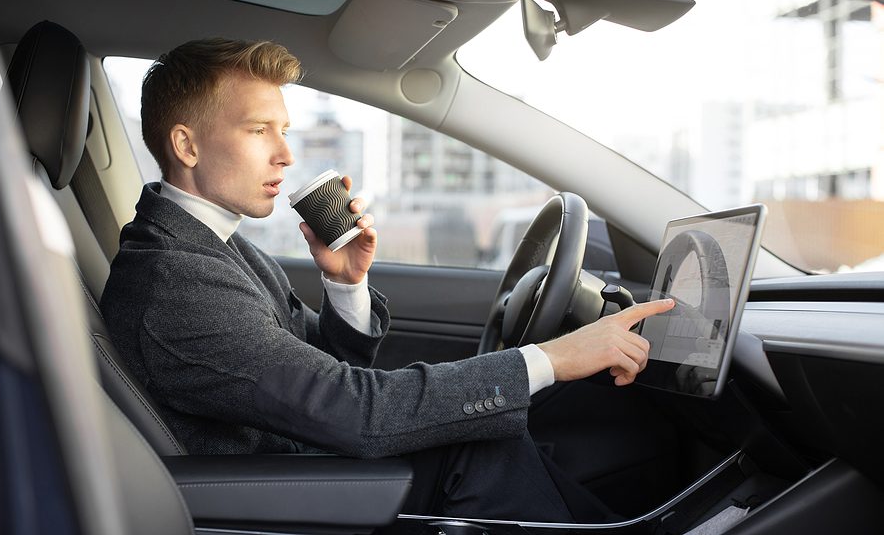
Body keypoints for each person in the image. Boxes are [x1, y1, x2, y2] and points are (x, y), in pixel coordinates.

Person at [100, 38, 675, 523]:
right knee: (478, 451)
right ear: (186, 145)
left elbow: (319, 369)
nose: (284, 154)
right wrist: (554, 358)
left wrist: (347, 284)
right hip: (269, 505)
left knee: (482, 437)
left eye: (284, 130)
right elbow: (356, 409)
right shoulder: (175, 281)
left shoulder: (215, 246)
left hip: (300, 464)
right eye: (258, 131)